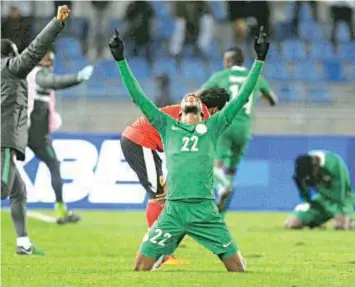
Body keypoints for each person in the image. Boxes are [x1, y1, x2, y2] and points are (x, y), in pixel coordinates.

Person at [109, 26, 269, 271]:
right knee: (140, 268)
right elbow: (137, 96)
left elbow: (243, 95)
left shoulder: (214, 125)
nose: (191, 97)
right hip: (173, 211)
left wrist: (259, 59)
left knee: (238, 269)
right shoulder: (165, 125)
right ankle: (163, 249)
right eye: (188, 98)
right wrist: (121, 60)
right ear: (181, 109)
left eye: (194, 98)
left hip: (205, 211)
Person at [121, 86, 229, 266]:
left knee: (161, 195)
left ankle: (159, 250)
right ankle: (156, 250)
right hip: (140, 140)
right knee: (159, 196)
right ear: (216, 109)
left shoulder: (191, 107)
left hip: (140, 139)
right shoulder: (202, 116)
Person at [1, 5, 70, 255]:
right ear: (11, 54)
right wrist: (56, 23)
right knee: (3, 187)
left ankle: (23, 244)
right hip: (4, 139)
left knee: (19, 192)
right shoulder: (11, 67)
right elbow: (35, 50)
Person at [199, 44, 277, 217]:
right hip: (245, 129)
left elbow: (199, 95)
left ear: (228, 61)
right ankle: (221, 213)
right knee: (232, 169)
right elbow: (273, 100)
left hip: (225, 124)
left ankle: (223, 186)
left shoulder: (221, 76)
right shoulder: (254, 77)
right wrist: (262, 95)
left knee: (216, 166)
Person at [26, 51, 93, 224]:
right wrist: (77, 78)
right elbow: (52, 82)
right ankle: (61, 208)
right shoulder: (39, 74)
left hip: (19, 128)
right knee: (54, 165)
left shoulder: (25, 73)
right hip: (34, 132)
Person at [285, 150, 354, 230]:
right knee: (293, 223)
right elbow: (306, 197)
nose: (309, 179)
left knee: (340, 225)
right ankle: (316, 222)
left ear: (315, 166)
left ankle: (350, 223)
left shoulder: (334, 164)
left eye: (309, 176)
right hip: (322, 200)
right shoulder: (305, 164)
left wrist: (317, 186)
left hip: (342, 200)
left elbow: (338, 197)